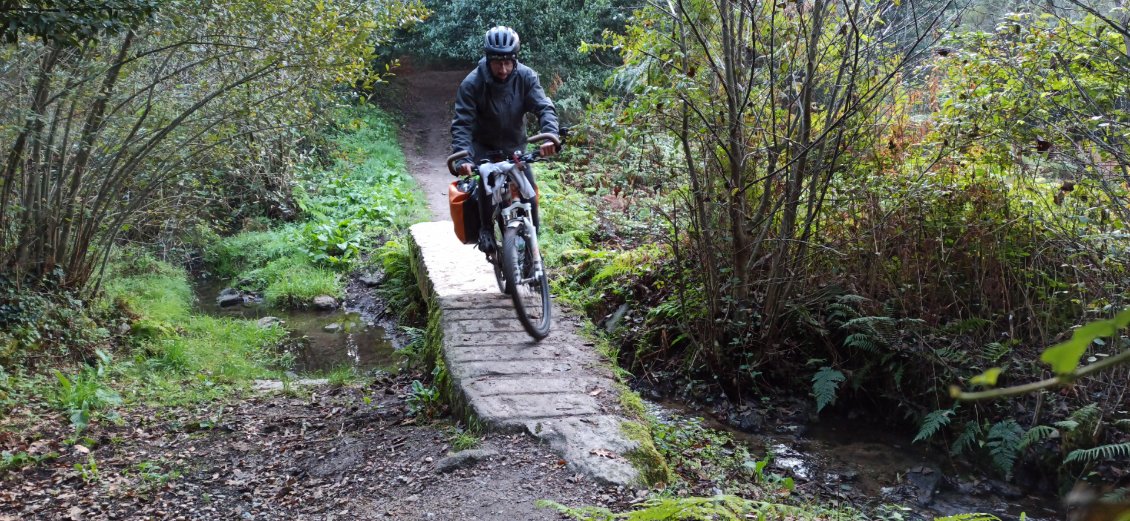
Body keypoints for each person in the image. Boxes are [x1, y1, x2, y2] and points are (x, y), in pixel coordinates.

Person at [450, 25, 559, 254]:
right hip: (483, 147)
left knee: (529, 197)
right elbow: (462, 123)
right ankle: (486, 229)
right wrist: (464, 158)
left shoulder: (526, 77)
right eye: (497, 62)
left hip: (515, 146)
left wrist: (550, 136)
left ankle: (532, 252)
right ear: (488, 59)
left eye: (508, 62)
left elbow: (544, 108)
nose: (503, 69)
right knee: (485, 187)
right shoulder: (472, 84)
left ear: (515, 59)